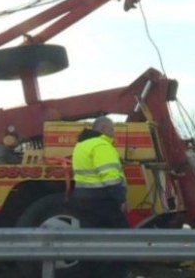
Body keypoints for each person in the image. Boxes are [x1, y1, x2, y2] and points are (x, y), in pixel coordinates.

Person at [71, 116, 129, 278]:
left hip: (83, 199)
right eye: (112, 130)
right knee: (124, 239)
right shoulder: (102, 145)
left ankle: (87, 274)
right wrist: (121, 199)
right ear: (103, 129)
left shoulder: (81, 145)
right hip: (102, 201)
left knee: (89, 242)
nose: (113, 133)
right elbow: (110, 178)